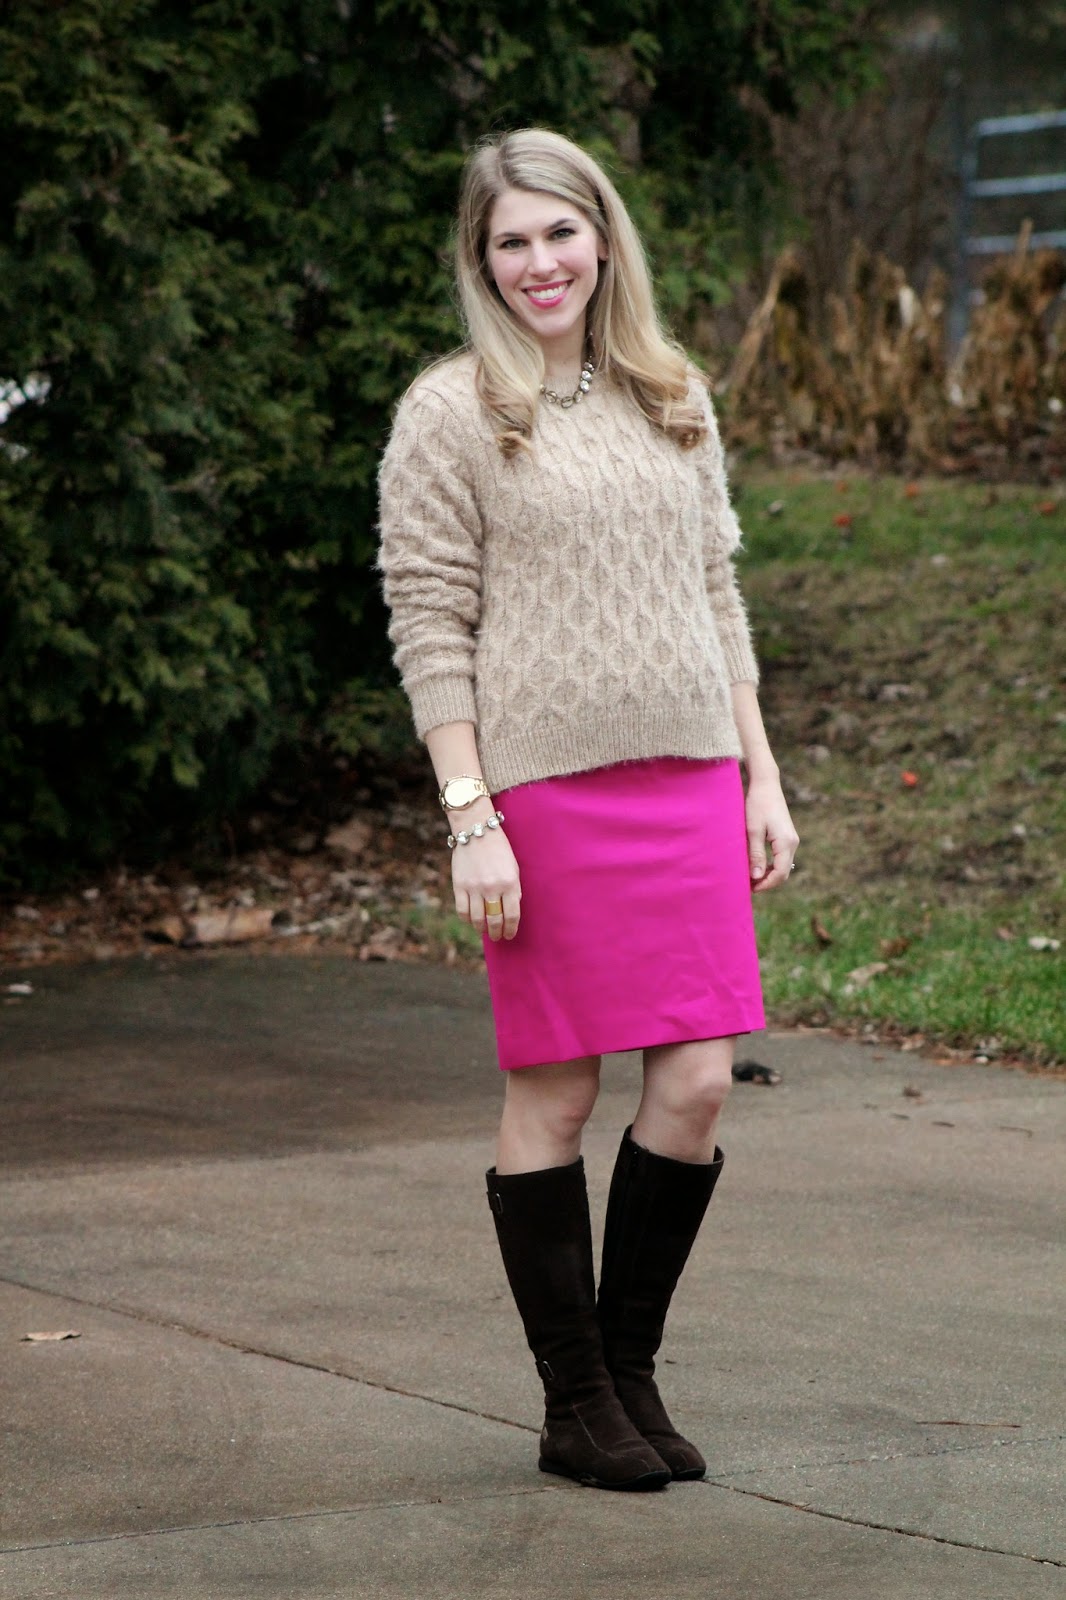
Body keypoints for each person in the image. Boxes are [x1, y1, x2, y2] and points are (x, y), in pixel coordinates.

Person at [377, 127, 798, 1493]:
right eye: (511, 242)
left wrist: (759, 774)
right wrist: (468, 813)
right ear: (480, 263)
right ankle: (572, 1405)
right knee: (553, 1094)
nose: (539, 261)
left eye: (559, 232)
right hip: (541, 799)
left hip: (684, 782)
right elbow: (429, 619)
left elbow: (716, 593)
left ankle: (627, 1372)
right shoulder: (450, 412)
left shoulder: (670, 391)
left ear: (602, 238)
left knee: (691, 1083)